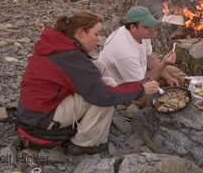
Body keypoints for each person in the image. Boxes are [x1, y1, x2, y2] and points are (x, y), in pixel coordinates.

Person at [17, 11, 159, 155]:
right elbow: (103, 95)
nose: (99, 39)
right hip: (42, 119)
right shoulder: (71, 58)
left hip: (33, 109)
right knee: (106, 87)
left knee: (99, 66)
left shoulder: (60, 44)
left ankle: (90, 121)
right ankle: (85, 143)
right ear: (80, 33)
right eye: (96, 34)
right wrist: (140, 89)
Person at [98, 6, 187, 105]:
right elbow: (141, 84)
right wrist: (164, 64)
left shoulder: (141, 34)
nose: (152, 30)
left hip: (137, 74)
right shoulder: (124, 51)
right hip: (124, 89)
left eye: (151, 25)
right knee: (156, 96)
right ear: (133, 27)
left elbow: (149, 58)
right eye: (147, 26)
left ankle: (195, 90)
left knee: (173, 72)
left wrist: (168, 77)